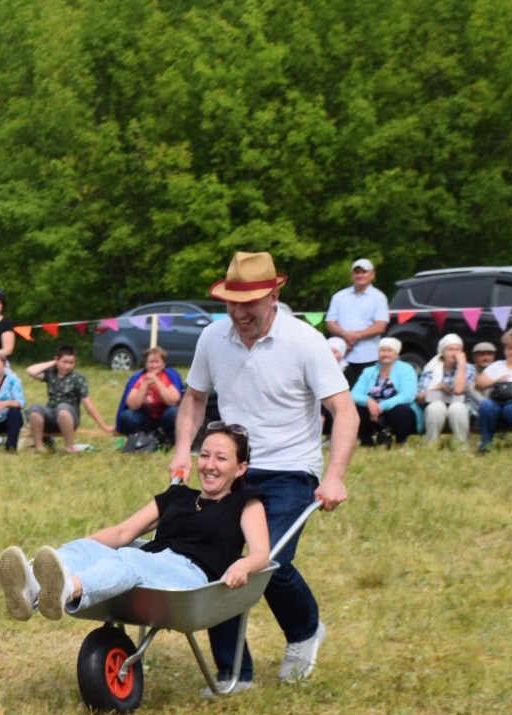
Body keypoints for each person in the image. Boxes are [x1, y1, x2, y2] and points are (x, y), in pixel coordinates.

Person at [170, 250, 357, 690]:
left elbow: (344, 411)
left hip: (292, 470)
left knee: (265, 559)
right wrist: (183, 450)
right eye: (232, 302)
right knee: (215, 557)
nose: (239, 312)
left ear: (273, 294)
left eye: (249, 302)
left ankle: (305, 631)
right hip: (236, 468)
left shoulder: (304, 341)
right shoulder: (214, 339)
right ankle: (234, 673)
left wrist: (334, 476)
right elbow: (195, 398)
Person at [0, 423, 269, 621]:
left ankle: (65, 590)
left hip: (189, 578)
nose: (209, 465)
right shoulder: (177, 496)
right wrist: (78, 547)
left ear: (241, 468)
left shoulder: (244, 503)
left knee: (129, 558)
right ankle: (30, 589)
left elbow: (261, 554)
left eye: (221, 458)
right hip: (151, 564)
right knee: (87, 548)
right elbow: (124, 531)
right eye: (205, 455)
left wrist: (244, 565)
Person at [26, 346, 111, 453]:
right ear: (57, 360)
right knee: (35, 409)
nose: (68, 366)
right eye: (64, 362)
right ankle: (39, 448)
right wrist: (53, 363)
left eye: (71, 363)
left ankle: (69, 447)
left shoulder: (78, 378)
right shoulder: (51, 374)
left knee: (62, 409)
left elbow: (88, 404)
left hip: (69, 416)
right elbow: (30, 371)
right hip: (51, 415)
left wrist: (103, 426)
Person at [325, 257, 389, 386]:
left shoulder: (379, 297)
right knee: (342, 393)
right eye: (356, 272)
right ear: (352, 275)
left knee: (366, 395)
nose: (360, 275)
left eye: (364, 272)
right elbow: (330, 322)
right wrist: (345, 335)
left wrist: (355, 336)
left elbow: (380, 326)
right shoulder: (339, 296)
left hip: (369, 356)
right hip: (342, 357)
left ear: (372, 275)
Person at [350, 337, 420, 447]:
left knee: (400, 411)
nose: (385, 354)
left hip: (396, 408)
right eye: (382, 351)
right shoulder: (368, 371)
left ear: (396, 354)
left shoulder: (406, 369)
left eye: (389, 351)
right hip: (372, 408)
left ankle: (400, 442)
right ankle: (366, 442)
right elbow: (354, 394)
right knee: (357, 409)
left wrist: (382, 406)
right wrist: (368, 401)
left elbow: (408, 395)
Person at [116, 347, 183, 443]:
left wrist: (157, 381)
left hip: (164, 418)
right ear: (146, 364)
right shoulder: (139, 378)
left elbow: (174, 400)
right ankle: (142, 438)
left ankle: (169, 438)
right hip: (146, 418)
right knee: (126, 416)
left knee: (174, 412)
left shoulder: (169, 377)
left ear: (163, 364)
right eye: (151, 362)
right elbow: (132, 405)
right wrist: (145, 385)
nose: (154, 365)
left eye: (157, 362)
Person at [417, 333, 474, 446]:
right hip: (435, 404)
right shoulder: (431, 368)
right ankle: (431, 445)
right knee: (436, 407)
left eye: (457, 349)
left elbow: (458, 390)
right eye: (450, 349)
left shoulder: (468, 368)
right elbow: (419, 397)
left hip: (461, 406)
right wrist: (437, 388)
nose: (454, 353)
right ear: (442, 352)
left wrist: (461, 365)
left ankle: (460, 446)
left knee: (457, 408)